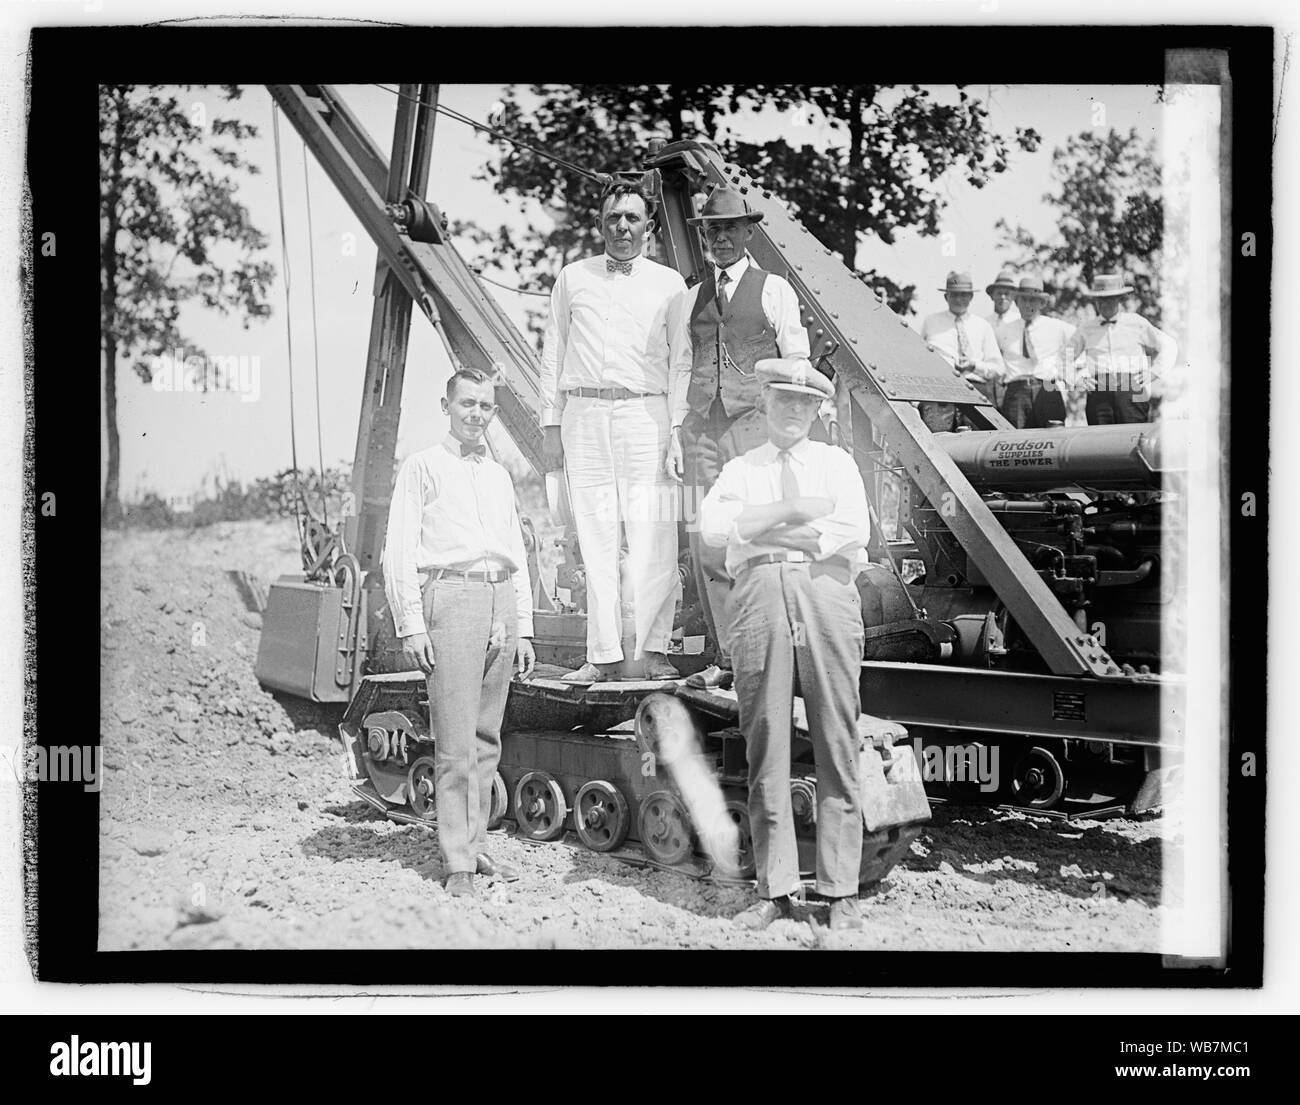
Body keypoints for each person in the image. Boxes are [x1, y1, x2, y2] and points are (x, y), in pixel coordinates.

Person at [699, 357, 871, 933]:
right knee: (765, 741)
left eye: (805, 403)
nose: (794, 411)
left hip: (826, 594)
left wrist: (761, 524)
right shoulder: (741, 467)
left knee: (836, 737)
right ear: (765, 403)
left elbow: (850, 531)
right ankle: (776, 890)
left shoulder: (837, 463)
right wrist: (798, 510)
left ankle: (841, 888)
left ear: (818, 410)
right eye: (783, 401)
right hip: (759, 599)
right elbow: (716, 531)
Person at [382, 368, 537, 899]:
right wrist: (412, 624)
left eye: (485, 407)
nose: (476, 414)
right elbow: (397, 552)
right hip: (451, 598)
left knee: (487, 738)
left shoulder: (498, 476)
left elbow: (515, 553)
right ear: (446, 405)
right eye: (467, 404)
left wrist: (526, 627)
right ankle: (456, 863)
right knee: (453, 743)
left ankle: (475, 843)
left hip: (499, 600)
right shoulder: (422, 467)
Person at [539, 180, 689, 683]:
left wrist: (677, 429)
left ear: (648, 226)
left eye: (631, 218)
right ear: (600, 225)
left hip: (645, 415)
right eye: (612, 219)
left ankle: (652, 649)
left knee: (654, 535)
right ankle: (601, 656)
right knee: (596, 536)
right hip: (584, 415)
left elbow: (681, 363)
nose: (622, 227)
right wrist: (550, 424)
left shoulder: (669, 284)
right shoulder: (572, 277)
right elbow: (552, 354)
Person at [664, 184, 812, 691]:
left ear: (748, 232)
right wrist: (673, 433)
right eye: (712, 229)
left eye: (729, 227)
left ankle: (771, 653)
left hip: (755, 430)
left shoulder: (774, 290)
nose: (721, 237)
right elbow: (681, 367)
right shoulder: (690, 298)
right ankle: (729, 659)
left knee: (759, 539)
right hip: (702, 431)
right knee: (708, 541)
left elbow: (796, 363)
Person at [1068, 272, 1177, 425]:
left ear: (1119, 299)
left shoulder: (1136, 322)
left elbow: (1169, 346)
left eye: (1111, 299)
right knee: (1100, 444)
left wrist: (1153, 373)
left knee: (1134, 441)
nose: (1106, 304)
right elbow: (1063, 358)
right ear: (1096, 301)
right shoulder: (1085, 329)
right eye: (1102, 299)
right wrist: (1077, 379)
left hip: (1131, 390)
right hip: (1099, 395)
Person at [917, 271, 1005, 432]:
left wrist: (974, 366)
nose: (959, 300)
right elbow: (919, 360)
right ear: (946, 297)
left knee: (977, 446)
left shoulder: (982, 325)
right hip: (939, 392)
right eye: (954, 295)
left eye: (964, 295)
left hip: (976, 391)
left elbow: (999, 369)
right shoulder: (931, 322)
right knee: (938, 442)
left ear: (971, 297)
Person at [994, 275, 1076, 429]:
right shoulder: (1002, 331)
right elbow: (994, 362)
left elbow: (1079, 345)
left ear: (1042, 303)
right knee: (1014, 442)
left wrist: (1069, 374)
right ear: (1016, 302)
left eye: (1033, 300)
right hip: (1015, 392)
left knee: (1053, 441)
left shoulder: (1058, 327)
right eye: (1023, 300)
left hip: (1047, 388)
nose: (1028, 305)